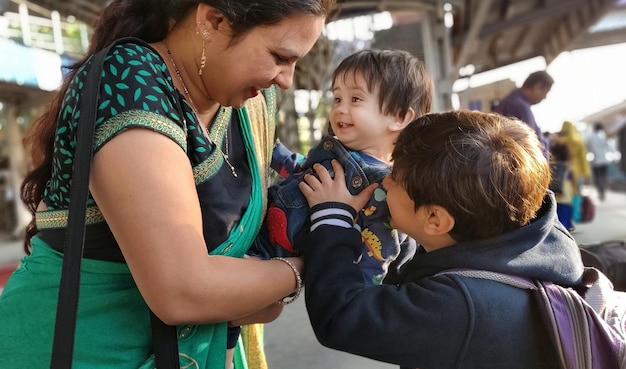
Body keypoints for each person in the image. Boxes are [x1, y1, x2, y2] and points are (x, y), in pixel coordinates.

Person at [0, 1, 334, 368]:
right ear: (214, 20)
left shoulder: (250, 101)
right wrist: (308, 266)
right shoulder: (130, 79)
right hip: (85, 349)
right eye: (279, 56)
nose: (286, 79)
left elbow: (255, 304)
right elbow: (183, 291)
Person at [298, 110, 584, 369]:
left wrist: (332, 218)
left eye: (395, 177)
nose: (384, 181)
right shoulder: (534, 237)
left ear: (435, 220)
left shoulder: (462, 306)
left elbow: (342, 317)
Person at [250, 49, 433, 286]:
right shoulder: (335, 149)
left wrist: (361, 290)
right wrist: (271, 152)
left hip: (276, 260)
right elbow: (305, 171)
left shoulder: (386, 189)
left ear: (399, 117)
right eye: (337, 99)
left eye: (355, 99)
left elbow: (380, 249)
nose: (339, 109)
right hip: (257, 227)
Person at [493, 70, 554, 158]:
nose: (544, 97)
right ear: (538, 87)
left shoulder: (510, 101)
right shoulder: (519, 106)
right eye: (545, 92)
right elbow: (533, 148)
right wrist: (547, 141)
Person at [586, 122, 613, 201]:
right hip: (604, 160)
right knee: (603, 177)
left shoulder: (590, 137)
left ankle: (600, 192)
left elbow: (588, 147)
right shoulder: (603, 136)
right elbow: (609, 146)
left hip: (595, 161)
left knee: (597, 178)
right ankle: (603, 192)